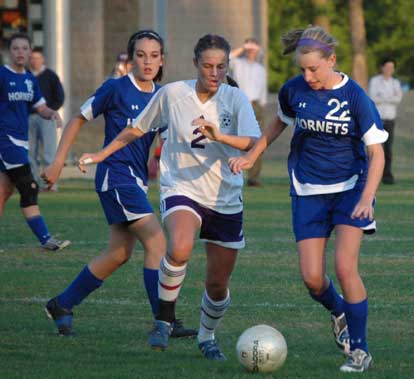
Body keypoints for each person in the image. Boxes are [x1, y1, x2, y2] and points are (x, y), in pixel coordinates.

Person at [76, 34, 261, 361]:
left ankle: (207, 336)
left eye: (221, 67)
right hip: (182, 188)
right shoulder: (173, 93)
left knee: (217, 285)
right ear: (195, 64)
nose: (214, 73)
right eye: (207, 66)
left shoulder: (235, 99)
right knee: (179, 246)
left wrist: (222, 136)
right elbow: (136, 128)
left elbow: (252, 142)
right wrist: (102, 154)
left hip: (225, 197)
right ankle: (164, 318)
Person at [228, 26, 388, 373]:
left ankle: (359, 352)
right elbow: (276, 125)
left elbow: (377, 154)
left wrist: (367, 197)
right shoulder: (293, 91)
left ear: (332, 60)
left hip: (350, 189)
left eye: (314, 69)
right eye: (302, 69)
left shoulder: (356, 98)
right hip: (307, 190)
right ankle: (339, 312)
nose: (308, 75)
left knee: (346, 268)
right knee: (313, 278)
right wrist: (253, 155)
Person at [41, 30, 196, 339]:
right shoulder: (115, 88)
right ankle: (165, 320)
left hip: (136, 180)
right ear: (130, 59)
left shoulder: (163, 95)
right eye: (141, 55)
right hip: (116, 175)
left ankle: (62, 303)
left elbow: (170, 138)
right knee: (157, 243)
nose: (148, 61)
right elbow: (77, 120)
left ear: (162, 59)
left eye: (154, 55)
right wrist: (58, 161)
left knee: (119, 253)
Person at [0, 32, 70, 251]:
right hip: (5, 139)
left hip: (21, 141)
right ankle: (46, 239)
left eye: (24, 48)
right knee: (29, 187)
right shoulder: (2, 75)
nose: (20, 52)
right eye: (15, 48)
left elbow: (40, 106)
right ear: (8, 52)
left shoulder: (30, 79)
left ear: (30, 52)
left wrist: (53, 114)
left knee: (4, 191)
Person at [229, 37, 267, 187]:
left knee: (258, 141)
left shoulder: (260, 68)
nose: (252, 51)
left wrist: (262, 106)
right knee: (235, 139)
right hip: (240, 103)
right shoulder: (238, 64)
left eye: (254, 48)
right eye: (249, 49)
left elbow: (262, 89)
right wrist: (243, 47)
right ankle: (234, 172)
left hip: (256, 104)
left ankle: (254, 177)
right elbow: (229, 57)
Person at [28, 47, 65, 191]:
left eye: (37, 58)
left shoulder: (50, 76)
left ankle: (50, 184)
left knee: (49, 152)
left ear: (42, 60)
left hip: (47, 118)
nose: (34, 61)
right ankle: (33, 184)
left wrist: (51, 110)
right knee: (30, 153)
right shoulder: (26, 75)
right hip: (28, 118)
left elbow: (60, 96)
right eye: (32, 58)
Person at [368, 57, 402, 184]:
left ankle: (387, 175)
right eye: (387, 67)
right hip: (377, 119)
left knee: (388, 149)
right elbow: (372, 97)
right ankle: (371, 175)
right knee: (375, 148)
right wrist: (389, 97)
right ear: (382, 67)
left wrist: (383, 97)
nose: (389, 70)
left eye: (391, 68)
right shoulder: (375, 81)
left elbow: (398, 99)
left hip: (390, 119)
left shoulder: (396, 83)